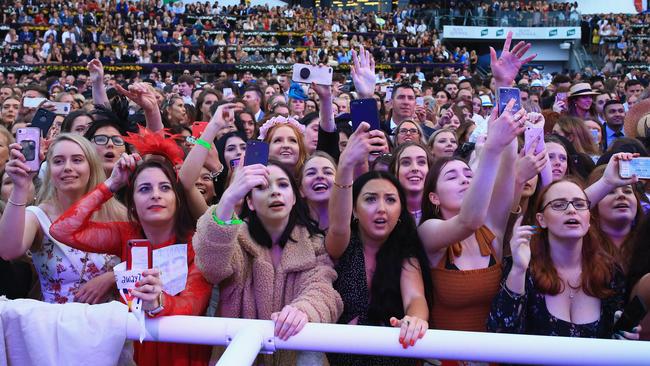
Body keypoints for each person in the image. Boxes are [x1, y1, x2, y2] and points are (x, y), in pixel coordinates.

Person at [50, 129, 213, 366]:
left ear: (178, 199)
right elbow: (62, 230)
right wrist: (112, 184)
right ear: (133, 205)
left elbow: (193, 303)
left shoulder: (197, 243)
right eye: (144, 189)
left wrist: (157, 302)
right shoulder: (126, 234)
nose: (155, 195)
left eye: (165, 188)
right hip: (136, 354)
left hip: (185, 356)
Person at [192, 160, 343, 365]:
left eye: (282, 184)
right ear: (250, 203)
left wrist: (304, 309)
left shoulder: (314, 243)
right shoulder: (233, 239)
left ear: (293, 198)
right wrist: (228, 199)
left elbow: (323, 290)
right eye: (262, 187)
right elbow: (211, 267)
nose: (274, 192)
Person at [326, 123, 433, 366]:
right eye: (370, 199)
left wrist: (415, 319)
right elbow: (338, 225)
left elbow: (415, 298)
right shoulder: (342, 244)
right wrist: (344, 166)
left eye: (391, 200)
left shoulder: (406, 250)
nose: (381, 208)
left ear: (401, 210)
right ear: (353, 209)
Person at [488, 174, 640, 340]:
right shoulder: (521, 267)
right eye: (559, 205)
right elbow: (500, 335)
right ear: (541, 220)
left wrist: (621, 335)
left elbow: (614, 343)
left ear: (588, 218)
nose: (571, 210)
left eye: (579, 204)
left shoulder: (610, 271)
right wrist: (518, 269)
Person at [0, 134, 124, 304]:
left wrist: (113, 277)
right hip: (56, 326)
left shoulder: (118, 213)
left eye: (77, 160)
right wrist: (21, 186)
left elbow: (149, 262)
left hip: (111, 325)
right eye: (58, 161)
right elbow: (8, 251)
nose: (67, 167)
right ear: (49, 170)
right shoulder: (37, 216)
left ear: (91, 167)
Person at [389, 142, 432, 225]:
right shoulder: (384, 212)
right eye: (405, 163)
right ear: (394, 171)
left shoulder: (444, 209)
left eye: (421, 162)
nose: (415, 168)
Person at [299, 151, 337, 230]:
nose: (320, 176)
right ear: (301, 190)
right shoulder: (289, 231)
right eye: (311, 173)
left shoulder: (354, 227)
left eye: (328, 172)